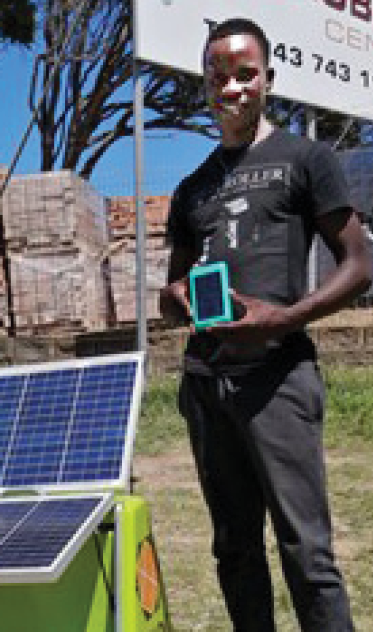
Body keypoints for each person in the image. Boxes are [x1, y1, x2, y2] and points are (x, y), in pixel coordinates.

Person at [159, 17, 371, 632]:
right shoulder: (190, 187)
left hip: (278, 379)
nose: (232, 88)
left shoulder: (306, 159)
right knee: (234, 550)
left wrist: (284, 317)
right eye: (218, 76)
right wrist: (176, 296)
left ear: (268, 78)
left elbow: (360, 265)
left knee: (308, 553)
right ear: (205, 84)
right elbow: (170, 300)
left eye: (245, 74)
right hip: (206, 385)